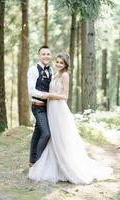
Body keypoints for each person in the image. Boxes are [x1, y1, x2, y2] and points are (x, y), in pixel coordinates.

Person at [29, 53, 113, 184]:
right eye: (57, 62)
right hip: (52, 109)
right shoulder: (55, 73)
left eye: (61, 63)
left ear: (66, 65)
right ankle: (49, 163)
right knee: (53, 137)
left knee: (62, 137)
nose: (58, 64)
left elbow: (64, 96)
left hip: (59, 109)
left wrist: (49, 95)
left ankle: (67, 166)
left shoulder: (65, 75)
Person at [27, 46, 52, 166]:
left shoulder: (51, 69)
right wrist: (46, 95)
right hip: (38, 107)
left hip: (48, 108)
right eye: (43, 54)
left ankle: (32, 161)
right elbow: (31, 91)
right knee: (46, 133)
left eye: (48, 54)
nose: (46, 56)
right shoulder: (33, 69)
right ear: (39, 55)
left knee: (37, 133)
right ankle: (38, 162)